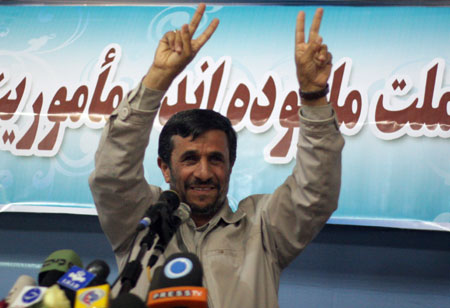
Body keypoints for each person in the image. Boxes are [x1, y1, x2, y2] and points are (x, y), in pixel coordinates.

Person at [89, 3, 344, 308]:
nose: (204, 172)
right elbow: (112, 175)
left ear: (231, 165)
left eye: (216, 159)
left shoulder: (262, 227)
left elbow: (316, 192)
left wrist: (314, 97)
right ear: (165, 168)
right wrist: (157, 79)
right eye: (190, 159)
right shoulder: (142, 224)